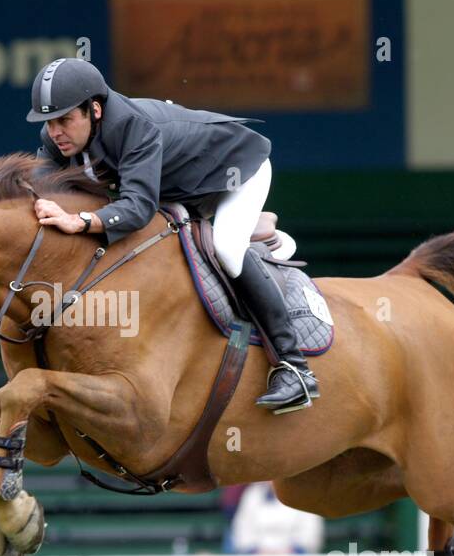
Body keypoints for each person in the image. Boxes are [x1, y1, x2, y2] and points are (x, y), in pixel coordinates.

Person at [26, 57, 318, 412]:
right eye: (49, 122)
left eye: (64, 120)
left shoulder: (134, 127)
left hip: (237, 172)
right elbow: (43, 191)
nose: (55, 132)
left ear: (95, 109)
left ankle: (294, 366)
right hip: (179, 187)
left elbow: (137, 207)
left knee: (226, 249)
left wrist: (82, 220)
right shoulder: (58, 138)